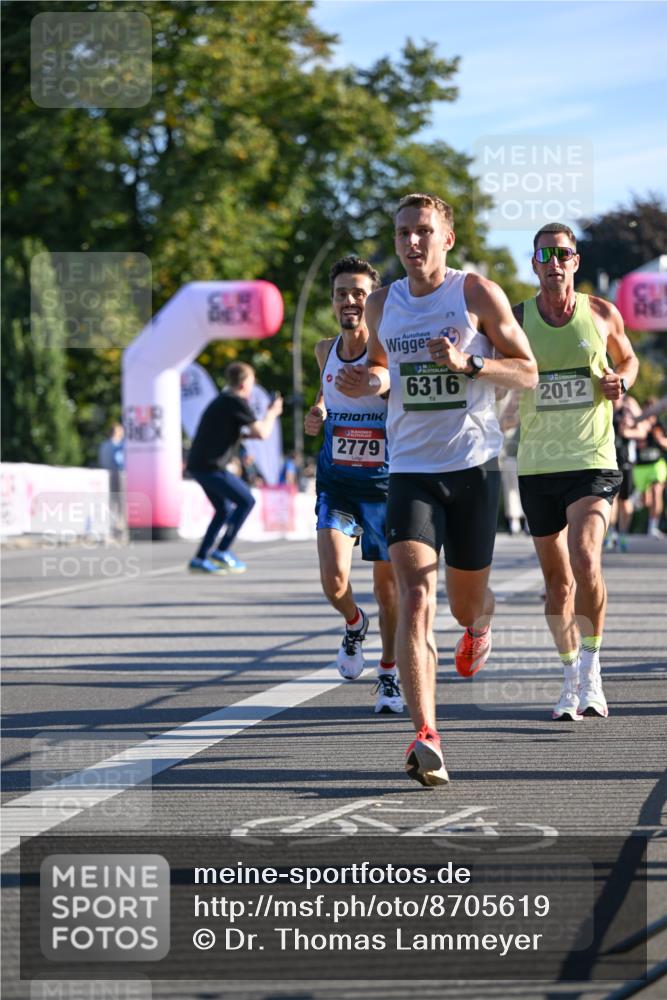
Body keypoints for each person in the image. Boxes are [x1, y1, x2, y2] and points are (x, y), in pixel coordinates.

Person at [336, 193, 537, 784]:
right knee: (416, 598)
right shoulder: (381, 302)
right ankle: (426, 736)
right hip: (409, 472)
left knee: (463, 603)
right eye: (402, 233)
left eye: (423, 231)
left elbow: (527, 370)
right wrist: (366, 379)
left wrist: (468, 365)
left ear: (446, 238)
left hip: (473, 470)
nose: (412, 242)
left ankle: (479, 627)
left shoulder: (474, 293)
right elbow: (380, 367)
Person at [514, 222, 639, 722]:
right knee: (557, 584)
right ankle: (569, 679)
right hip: (537, 464)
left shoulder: (602, 312)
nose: (554, 263)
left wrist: (620, 382)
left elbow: (628, 360)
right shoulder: (518, 318)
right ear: (534, 263)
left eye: (562, 254)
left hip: (592, 457)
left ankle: (592, 670)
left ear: (575, 260)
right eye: (544, 255)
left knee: (585, 557)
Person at [305, 256, 402, 714]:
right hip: (337, 483)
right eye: (342, 292)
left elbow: (383, 382)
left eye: (359, 293)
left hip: (384, 487)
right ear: (333, 300)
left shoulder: (387, 348)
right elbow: (326, 395)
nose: (350, 300)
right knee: (333, 579)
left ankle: (388, 674)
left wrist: (375, 385)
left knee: (389, 591)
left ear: (373, 299)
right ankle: (353, 622)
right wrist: (318, 412)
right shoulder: (324, 350)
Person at [186, 362, 283, 573]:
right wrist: (273, 413)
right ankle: (221, 551)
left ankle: (201, 558)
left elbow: (234, 432)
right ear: (244, 383)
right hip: (211, 466)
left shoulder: (223, 401)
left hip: (200, 464)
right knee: (247, 500)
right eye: (251, 380)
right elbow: (263, 433)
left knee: (223, 509)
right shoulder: (236, 402)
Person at [605, 394, 644, 551]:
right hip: (609, 463)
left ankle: (622, 534)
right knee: (611, 501)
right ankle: (611, 534)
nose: (616, 399)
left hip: (626, 463)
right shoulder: (605, 409)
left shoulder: (628, 412)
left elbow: (642, 432)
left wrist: (628, 432)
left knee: (625, 502)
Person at [633, 403, 667, 538]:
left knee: (656, 493)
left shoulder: (660, 425)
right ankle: (637, 499)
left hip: (656, 465)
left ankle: (653, 526)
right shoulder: (637, 424)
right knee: (646, 501)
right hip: (641, 467)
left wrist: (659, 439)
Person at [97, 422, 125, 535]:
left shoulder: (103, 445)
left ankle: (113, 524)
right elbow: (120, 462)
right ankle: (119, 525)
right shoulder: (118, 446)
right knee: (120, 501)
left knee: (111, 501)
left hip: (106, 474)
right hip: (118, 475)